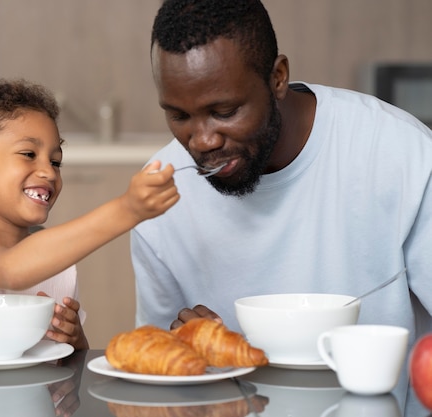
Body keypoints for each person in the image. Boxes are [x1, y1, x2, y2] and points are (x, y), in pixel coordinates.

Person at [131, 0, 432, 343]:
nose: (202, 141)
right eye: (179, 116)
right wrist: (185, 349)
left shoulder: (402, 155)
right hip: (232, 399)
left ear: (277, 78)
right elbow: (155, 363)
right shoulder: (159, 197)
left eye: (225, 111)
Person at [0, 79, 179, 351]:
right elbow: (9, 270)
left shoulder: (57, 263)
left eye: (56, 161)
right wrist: (126, 210)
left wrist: (75, 340)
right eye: (29, 154)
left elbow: (67, 376)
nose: (48, 172)